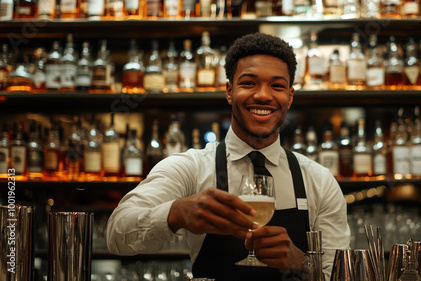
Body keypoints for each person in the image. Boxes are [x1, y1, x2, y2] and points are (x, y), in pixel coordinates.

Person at [106, 33, 350, 280]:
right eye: (249, 83)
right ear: (229, 92)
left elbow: (341, 275)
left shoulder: (319, 180)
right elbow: (117, 234)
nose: (263, 95)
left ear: (289, 96)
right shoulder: (190, 167)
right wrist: (176, 213)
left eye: (277, 85)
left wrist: (301, 263)